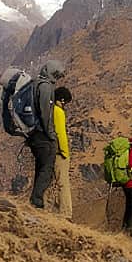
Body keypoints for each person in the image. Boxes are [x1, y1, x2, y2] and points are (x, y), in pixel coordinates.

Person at [27, 60, 66, 209]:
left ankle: (36, 201)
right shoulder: (45, 87)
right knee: (47, 170)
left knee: (41, 167)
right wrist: (51, 135)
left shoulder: (36, 84)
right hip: (42, 134)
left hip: (34, 133)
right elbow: (45, 114)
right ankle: (36, 201)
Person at [47, 86, 74, 218]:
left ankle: (46, 208)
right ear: (61, 100)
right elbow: (61, 133)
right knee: (63, 183)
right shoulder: (58, 112)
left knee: (49, 181)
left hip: (48, 151)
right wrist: (65, 152)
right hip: (58, 152)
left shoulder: (48, 110)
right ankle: (65, 213)